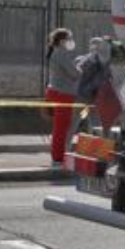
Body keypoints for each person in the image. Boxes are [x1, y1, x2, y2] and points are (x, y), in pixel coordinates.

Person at [44, 28, 79, 166]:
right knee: (62, 127)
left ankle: (57, 155)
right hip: (63, 93)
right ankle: (58, 157)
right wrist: (80, 69)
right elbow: (74, 73)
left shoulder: (57, 52)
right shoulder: (62, 54)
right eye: (69, 38)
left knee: (60, 126)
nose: (71, 41)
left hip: (55, 91)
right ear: (62, 40)